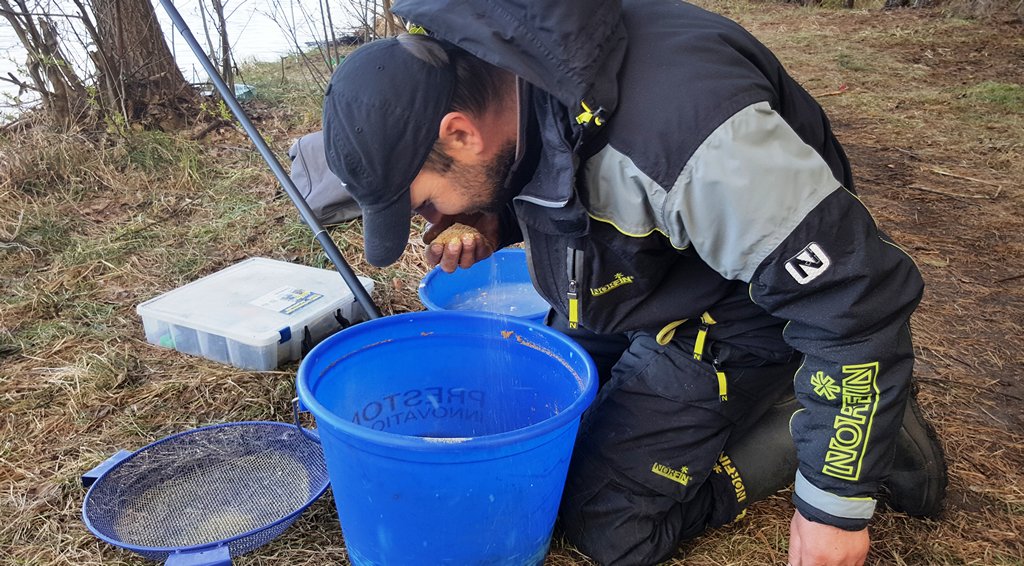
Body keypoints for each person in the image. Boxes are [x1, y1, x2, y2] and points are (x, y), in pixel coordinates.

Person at [320, 0, 948, 564]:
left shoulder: (693, 140)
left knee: (607, 527)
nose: (434, 223)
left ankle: (826, 421)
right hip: (634, 280)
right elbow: (560, 168)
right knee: (549, 462)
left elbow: (853, 296)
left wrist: (832, 509)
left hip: (737, 316)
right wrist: (497, 217)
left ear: (460, 133)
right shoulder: (503, 69)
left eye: (426, 205)